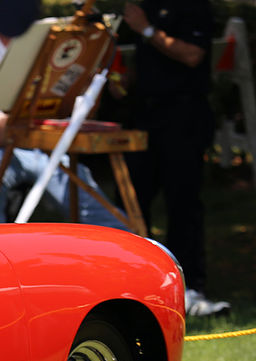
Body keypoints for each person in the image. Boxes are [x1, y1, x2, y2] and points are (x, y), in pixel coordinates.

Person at [0, 10, 124, 229]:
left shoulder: (44, 43)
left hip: (41, 148)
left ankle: (130, 242)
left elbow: (67, 106)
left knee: (93, 205)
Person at [122, 1, 229, 316]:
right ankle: (135, 289)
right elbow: (154, 63)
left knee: (182, 202)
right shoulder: (146, 6)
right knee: (130, 202)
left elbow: (193, 55)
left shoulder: (193, 6)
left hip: (183, 116)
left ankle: (190, 288)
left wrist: (146, 29)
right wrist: (126, 81)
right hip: (145, 115)